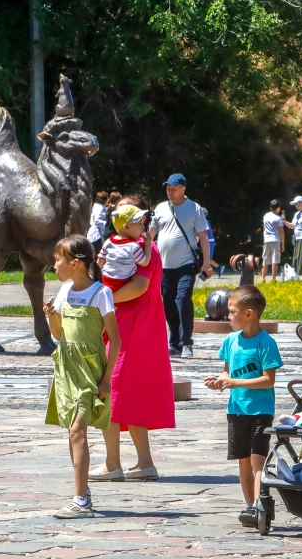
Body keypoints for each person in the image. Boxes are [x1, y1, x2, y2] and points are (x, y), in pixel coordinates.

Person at [93, 194, 174, 483]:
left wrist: (102, 300)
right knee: (129, 393)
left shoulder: (144, 248)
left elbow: (139, 286)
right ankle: (144, 464)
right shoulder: (131, 247)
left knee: (111, 390)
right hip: (132, 326)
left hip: (131, 328)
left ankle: (112, 464)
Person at [42, 235, 121, 519]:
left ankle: (80, 500)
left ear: (75, 263)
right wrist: (51, 316)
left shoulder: (101, 293)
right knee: (72, 431)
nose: (54, 265)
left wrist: (106, 379)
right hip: (66, 367)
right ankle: (82, 492)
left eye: (58, 259)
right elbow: (60, 334)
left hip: (89, 369)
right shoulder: (64, 290)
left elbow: (115, 339)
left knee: (78, 429)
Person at [204, 285, 283, 528]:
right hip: (236, 410)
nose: (227, 317)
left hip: (260, 412)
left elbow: (268, 380)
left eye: (231, 311)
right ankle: (250, 507)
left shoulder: (266, 343)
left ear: (249, 313)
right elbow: (227, 371)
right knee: (243, 461)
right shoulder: (230, 341)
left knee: (257, 460)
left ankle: (261, 503)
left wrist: (234, 381)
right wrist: (220, 381)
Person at [153, 173, 212, 359]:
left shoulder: (194, 209)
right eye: (167, 188)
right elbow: (150, 234)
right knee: (168, 302)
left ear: (182, 189)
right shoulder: (161, 207)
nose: (169, 191)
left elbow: (203, 237)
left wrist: (206, 263)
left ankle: (187, 342)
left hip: (186, 264)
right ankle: (175, 342)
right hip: (164, 266)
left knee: (183, 299)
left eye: (173, 188)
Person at [97, 204, 154, 292]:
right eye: (140, 223)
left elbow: (100, 261)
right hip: (122, 284)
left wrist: (96, 278)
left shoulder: (108, 242)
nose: (143, 227)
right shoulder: (134, 247)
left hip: (105, 280)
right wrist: (148, 245)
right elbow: (145, 262)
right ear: (126, 227)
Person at [261, 200, 285, 282]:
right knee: (275, 261)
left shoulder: (266, 216)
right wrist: (283, 244)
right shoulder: (278, 218)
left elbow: (264, 228)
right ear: (278, 208)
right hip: (276, 240)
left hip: (267, 240)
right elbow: (281, 232)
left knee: (265, 260)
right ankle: (273, 279)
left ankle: (263, 279)